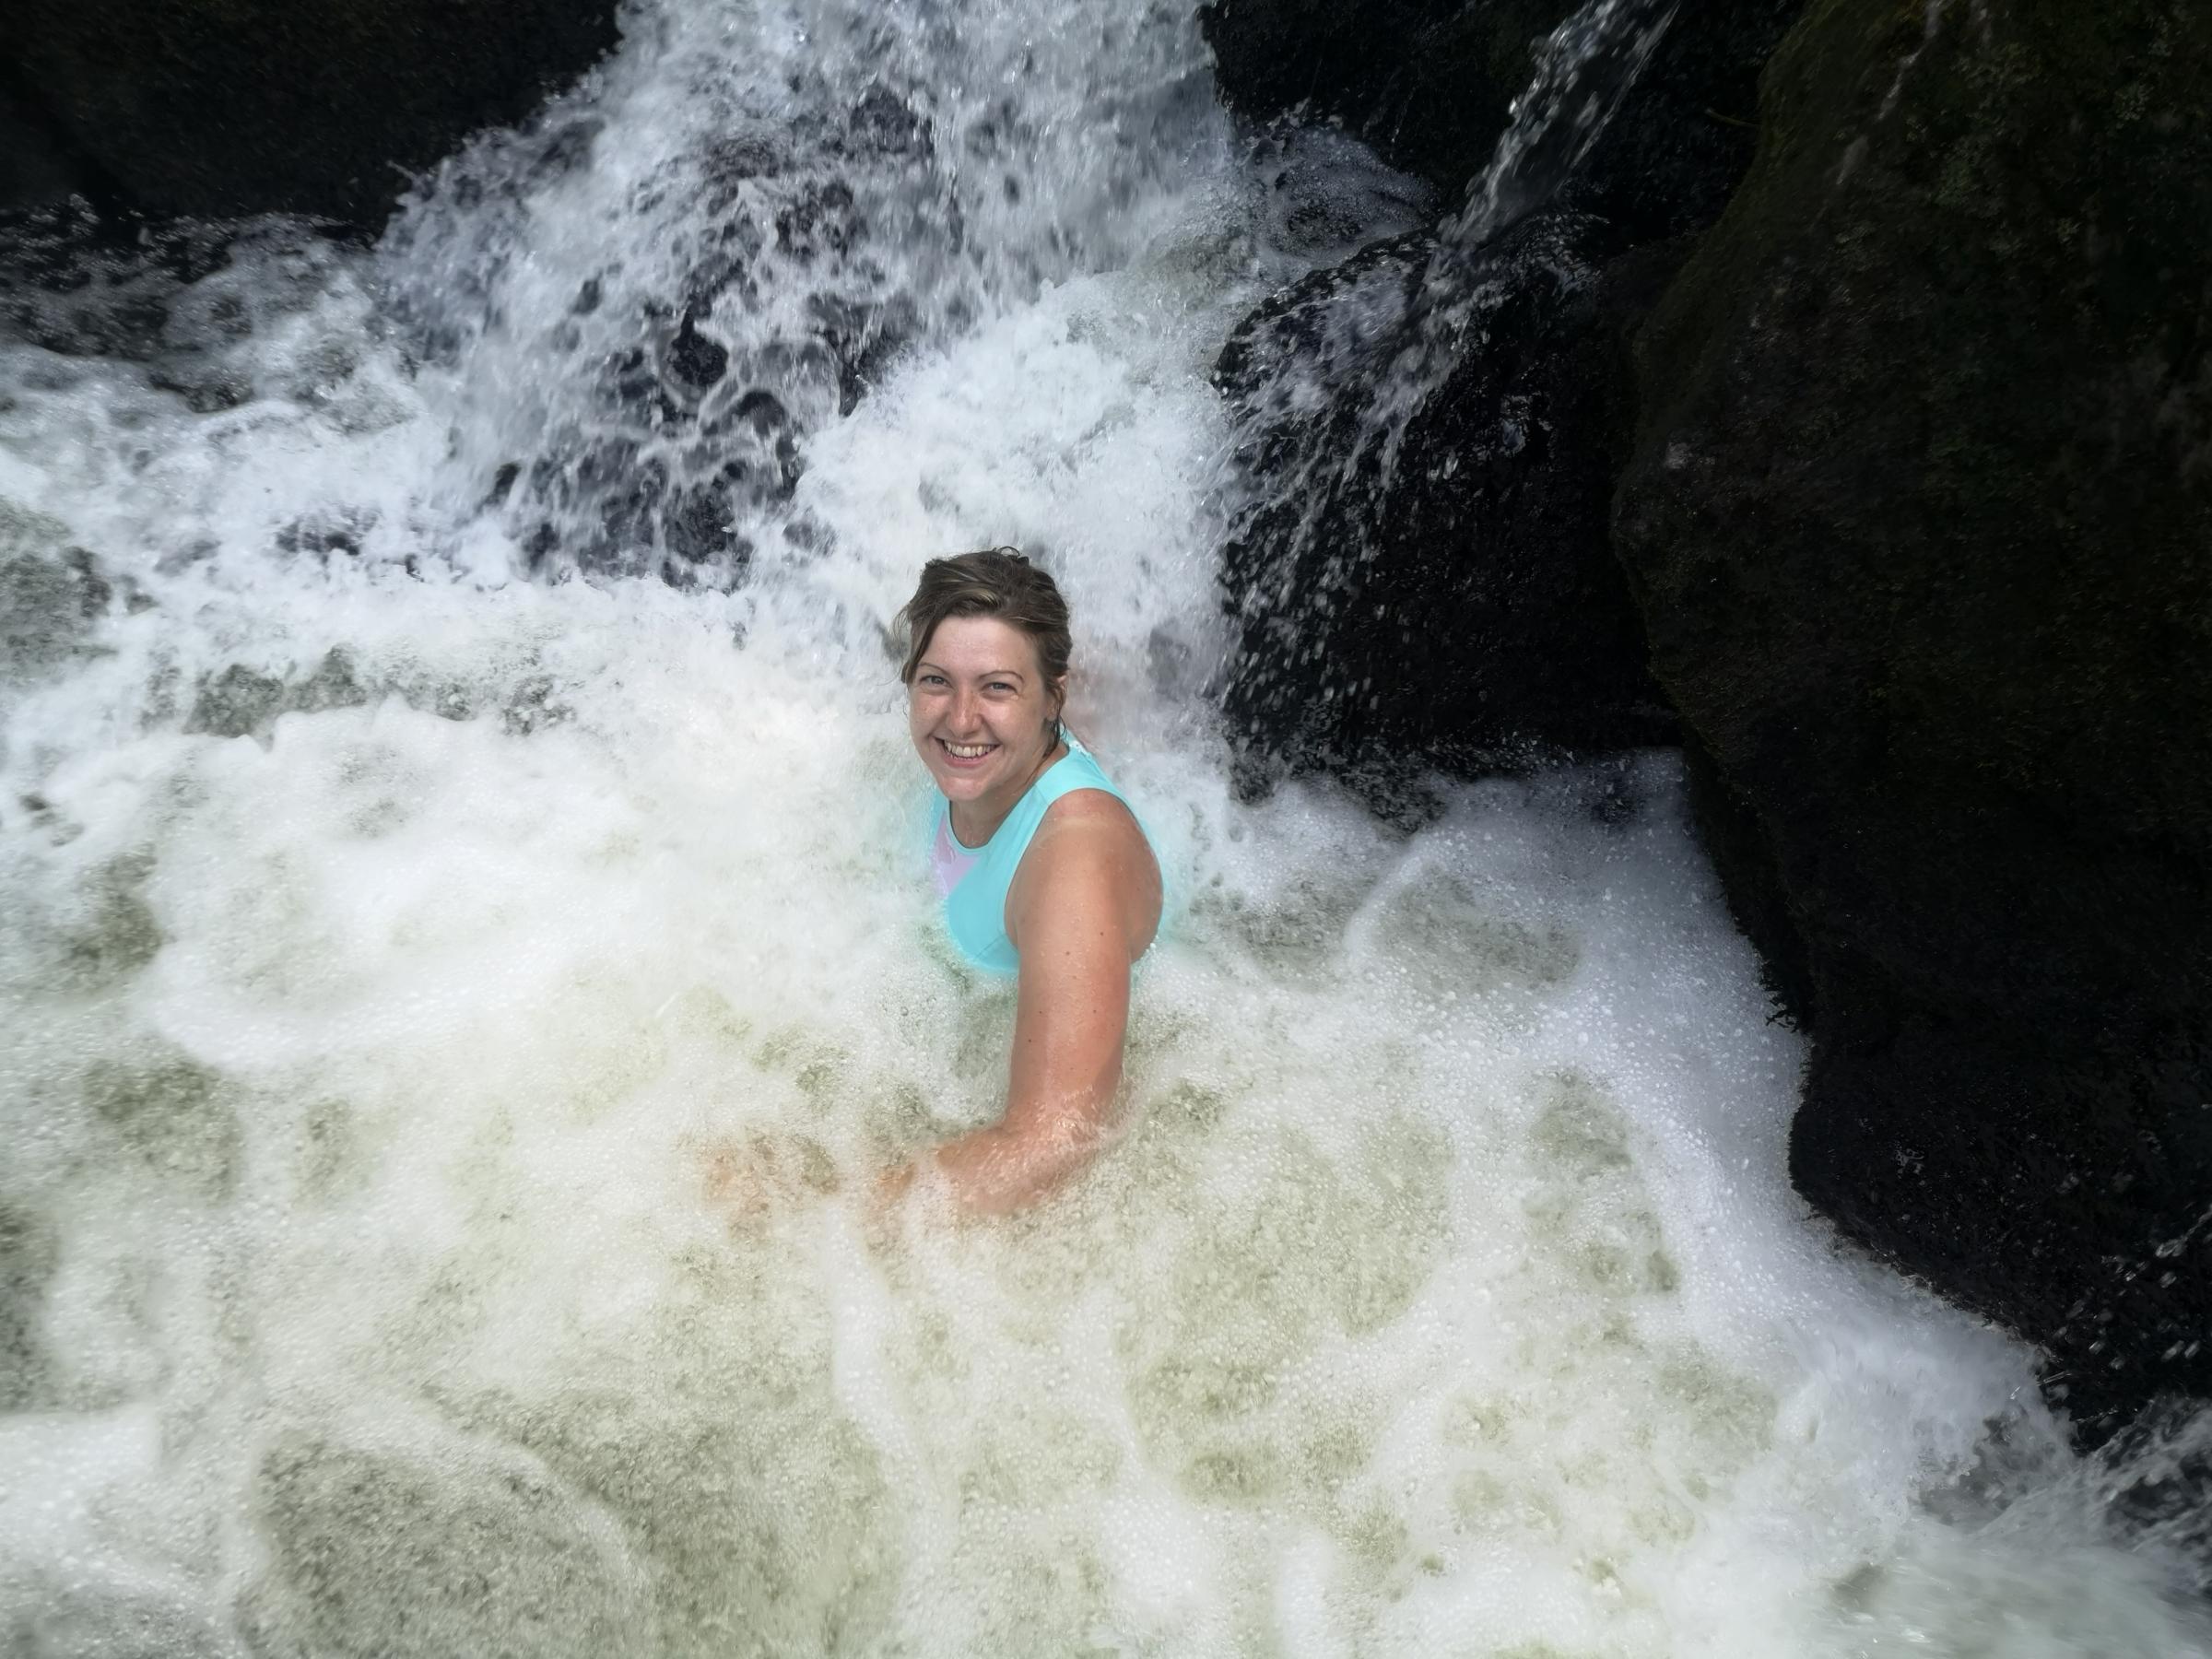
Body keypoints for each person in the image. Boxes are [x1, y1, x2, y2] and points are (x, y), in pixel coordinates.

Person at [892, 547, 1161, 1214]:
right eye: (935, 681)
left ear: (1053, 698)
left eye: (998, 687)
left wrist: (804, 1211)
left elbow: (1052, 1146)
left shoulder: (1071, 863)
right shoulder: (980, 765)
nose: (959, 719)